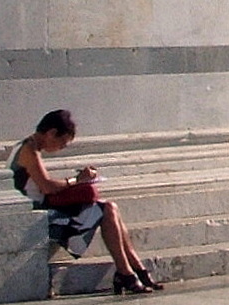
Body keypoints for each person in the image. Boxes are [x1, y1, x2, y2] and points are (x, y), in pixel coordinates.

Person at [10, 109, 161, 293]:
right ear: (51, 133)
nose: (61, 148)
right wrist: (77, 180)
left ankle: (134, 269)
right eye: (62, 143)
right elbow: (47, 187)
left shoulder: (29, 147)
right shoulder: (28, 150)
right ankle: (127, 272)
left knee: (110, 207)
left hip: (45, 210)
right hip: (39, 216)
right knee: (105, 210)